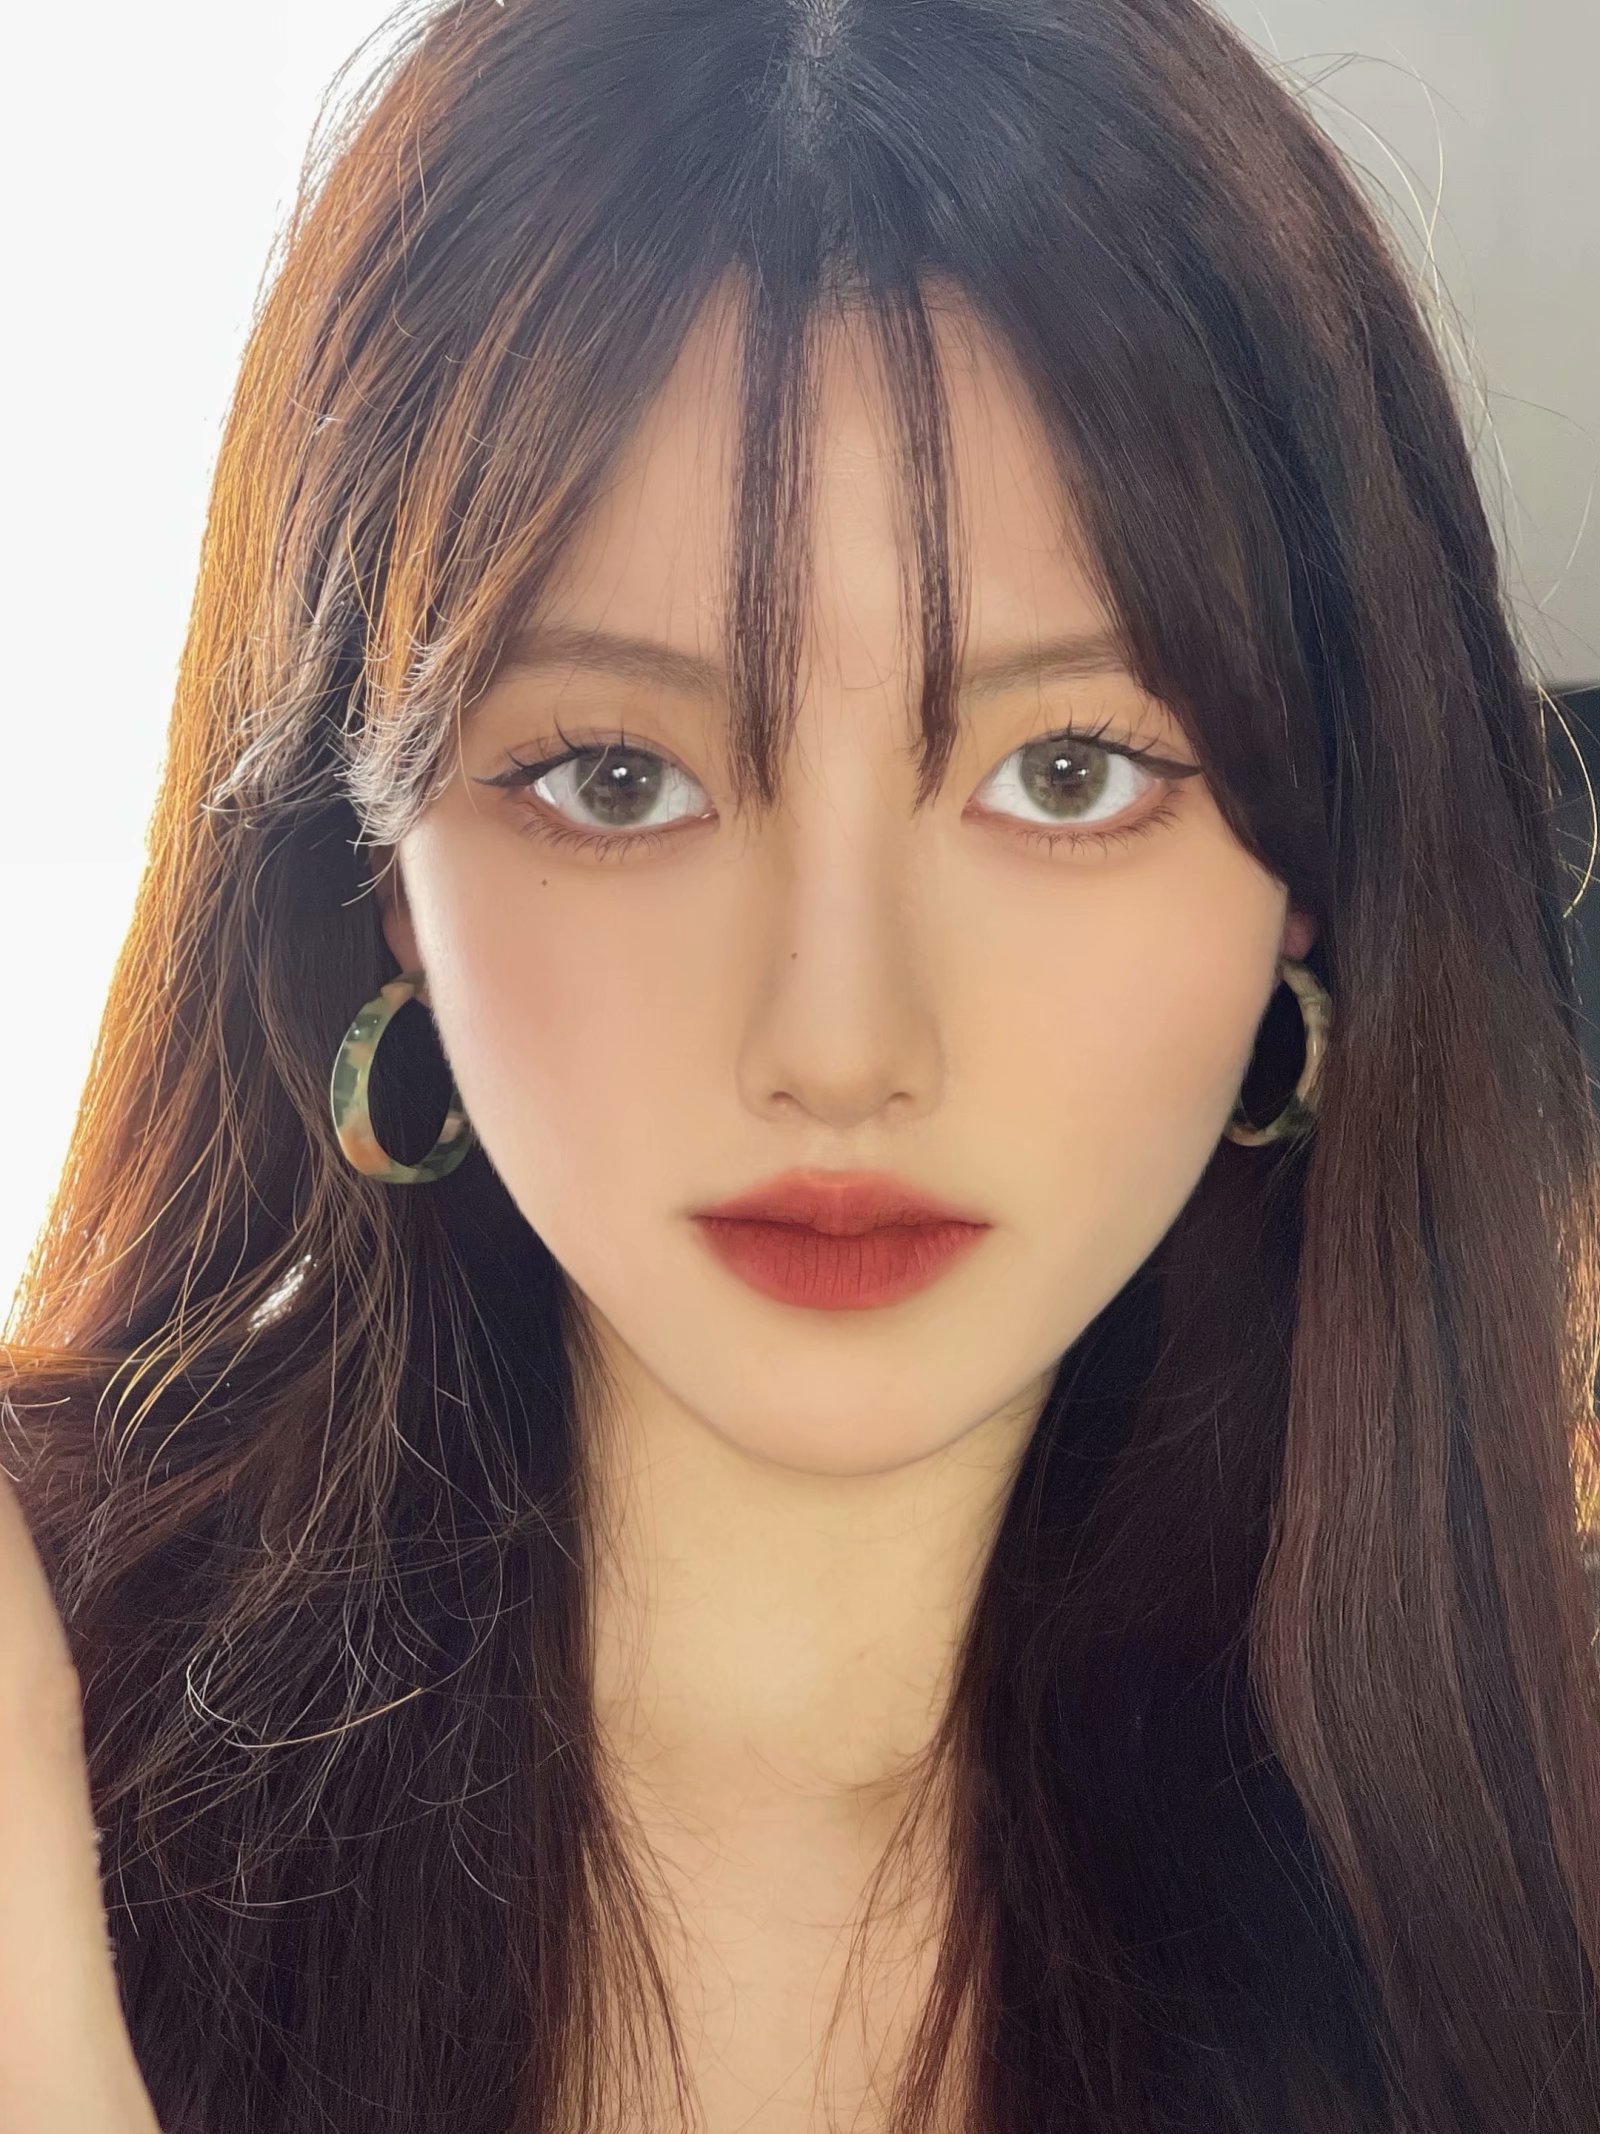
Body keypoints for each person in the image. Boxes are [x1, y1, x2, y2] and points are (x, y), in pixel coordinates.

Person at [3, 0, 1599, 2128]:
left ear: (1309, 866)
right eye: (616, 776)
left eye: (1064, 771)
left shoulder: (1525, 1857)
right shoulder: (39, 1716)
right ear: (379, 874)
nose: (839, 1048)